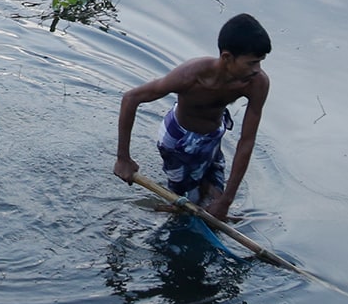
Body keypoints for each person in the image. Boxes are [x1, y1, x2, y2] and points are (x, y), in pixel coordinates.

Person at [113, 13, 271, 221]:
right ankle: (154, 211)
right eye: (251, 63)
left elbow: (247, 141)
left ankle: (201, 209)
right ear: (226, 58)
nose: (257, 70)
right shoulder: (191, 76)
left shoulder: (256, 83)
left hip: (213, 136)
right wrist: (123, 158)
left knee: (215, 197)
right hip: (179, 140)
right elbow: (131, 98)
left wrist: (226, 201)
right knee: (189, 206)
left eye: (260, 62)